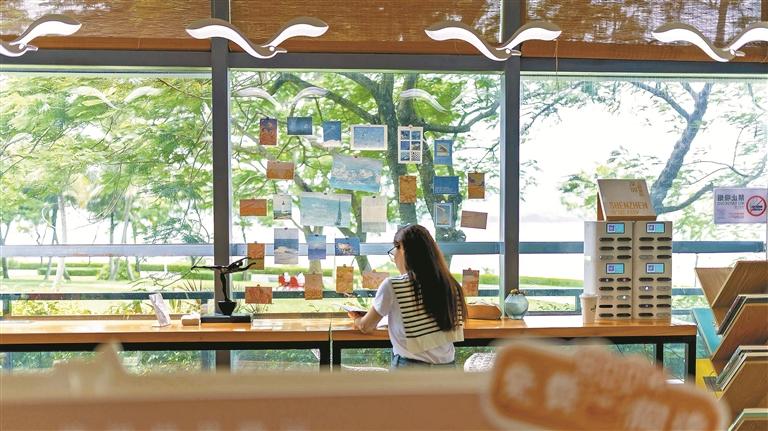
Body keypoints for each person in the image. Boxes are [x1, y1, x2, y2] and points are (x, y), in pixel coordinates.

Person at [349, 224, 467, 368]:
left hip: (410, 370)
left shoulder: (393, 285)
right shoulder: (452, 285)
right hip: (447, 371)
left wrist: (357, 319)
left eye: (394, 251)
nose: (394, 258)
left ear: (402, 249)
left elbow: (366, 326)